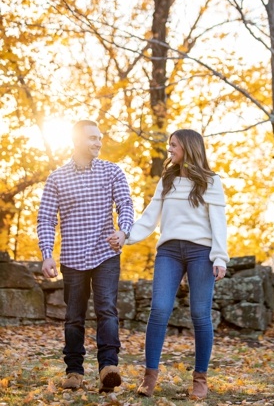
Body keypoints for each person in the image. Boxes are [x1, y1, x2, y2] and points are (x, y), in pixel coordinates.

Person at [108, 129, 229, 400]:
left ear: (188, 147)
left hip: (202, 252)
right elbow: (150, 218)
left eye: (173, 145)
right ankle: (149, 376)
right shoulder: (167, 180)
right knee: (159, 310)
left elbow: (219, 223)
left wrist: (220, 256)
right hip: (169, 252)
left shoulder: (211, 181)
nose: (169, 149)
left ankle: (200, 379)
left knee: (200, 314)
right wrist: (126, 235)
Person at [37, 120, 135, 393]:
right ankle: (74, 372)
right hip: (72, 256)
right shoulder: (57, 178)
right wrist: (47, 255)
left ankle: (108, 368)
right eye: (92, 138)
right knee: (73, 316)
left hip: (106, 253)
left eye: (100, 138)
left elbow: (125, 203)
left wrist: (123, 231)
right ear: (77, 140)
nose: (98, 142)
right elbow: (46, 218)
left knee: (106, 309)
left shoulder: (111, 171)